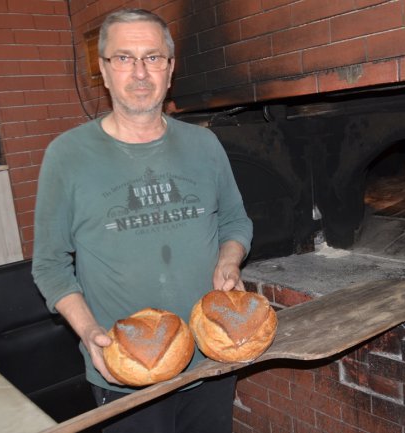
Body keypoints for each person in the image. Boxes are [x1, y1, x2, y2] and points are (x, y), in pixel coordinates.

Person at [31, 8, 253, 433]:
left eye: (152, 57)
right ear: (103, 70)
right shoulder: (68, 156)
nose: (139, 72)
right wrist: (87, 330)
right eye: (124, 58)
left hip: (209, 358)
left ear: (169, 70)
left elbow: (235, 221)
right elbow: (50, 265)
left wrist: (230, 260)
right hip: (125, 371)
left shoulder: (204, 144)